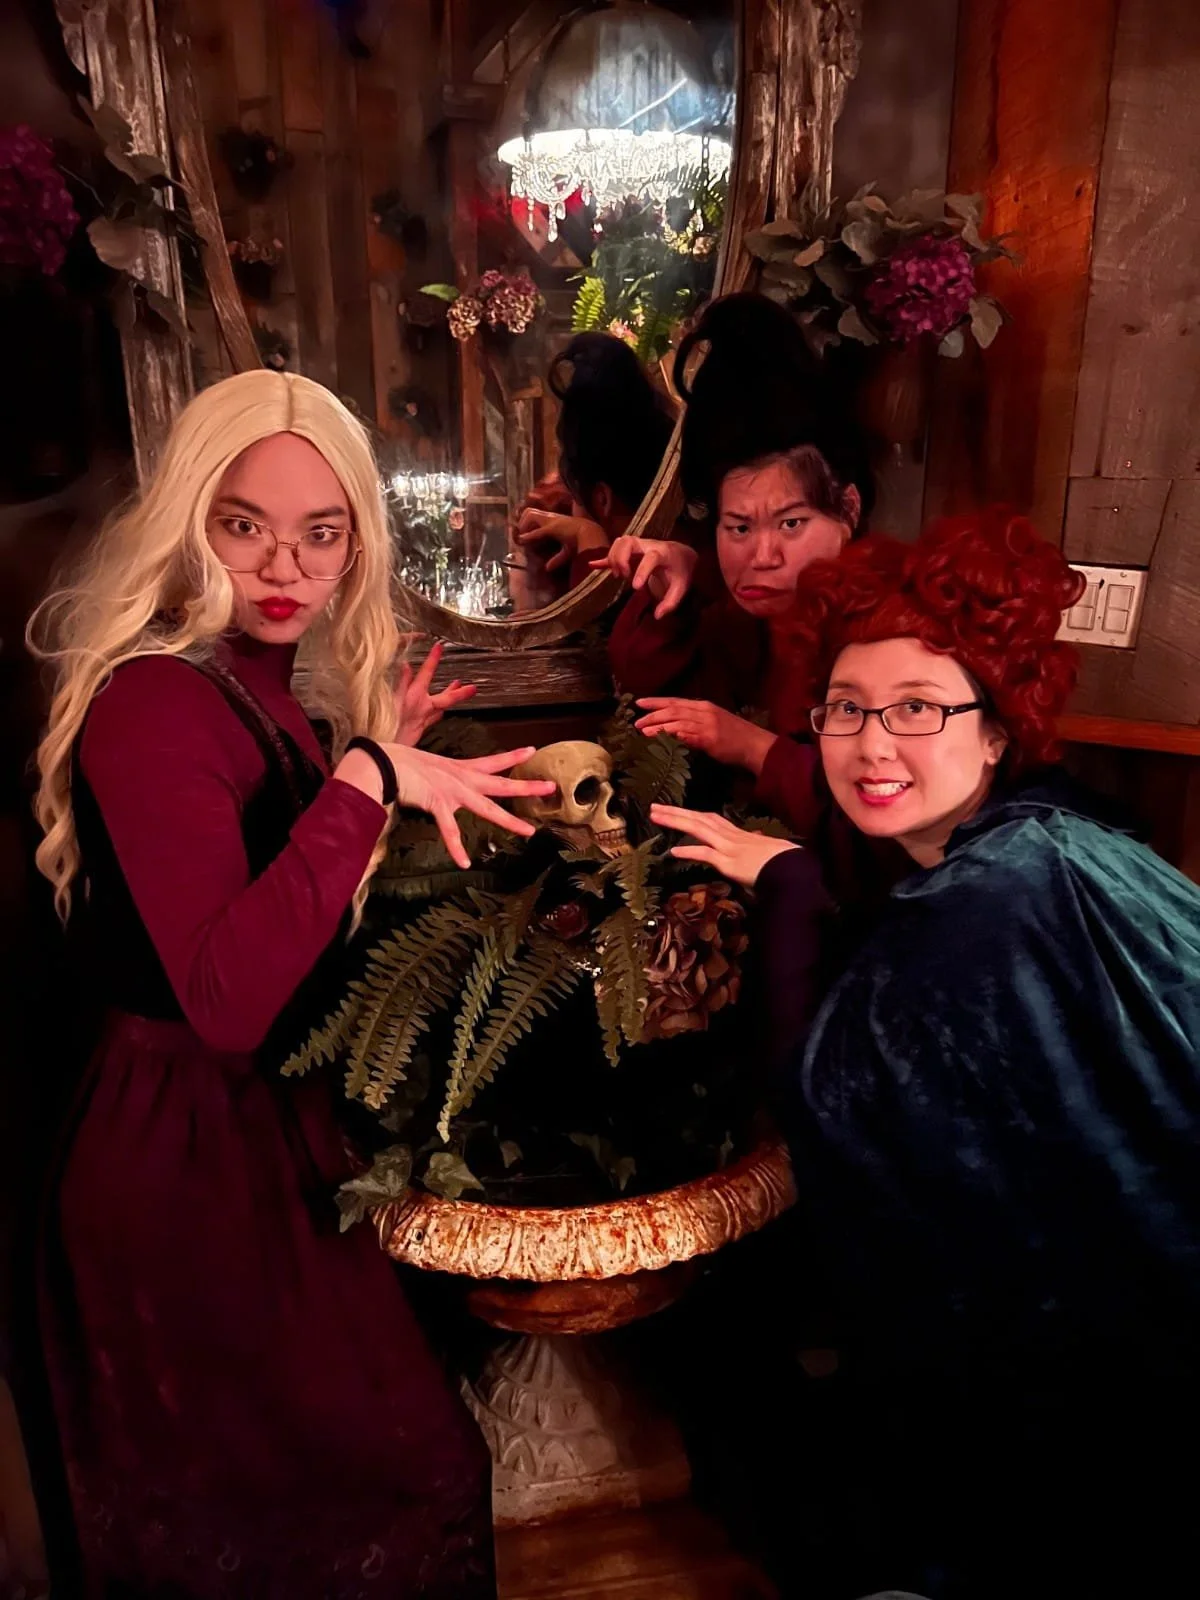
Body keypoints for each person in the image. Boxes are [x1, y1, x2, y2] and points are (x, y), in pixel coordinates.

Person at [27, 369, 558, 1599]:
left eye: (322, 533)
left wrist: (373, 778)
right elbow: (226, 995)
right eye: (244, 523)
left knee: (385, 1474)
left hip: (252, 1127)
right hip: (179, 1153)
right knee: (330, 1492)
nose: (285, 564)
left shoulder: (257, 683)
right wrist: (368, 777)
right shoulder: (157, 697)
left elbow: (290, 910)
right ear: (188, 520)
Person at [652, 508, 1200, 1597]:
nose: (871, 743)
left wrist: (791, 884)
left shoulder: (1006, 886)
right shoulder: (1044, 843)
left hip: (1115, 1395)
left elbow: (831, 1096)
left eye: (917, 708)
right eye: (846, 709)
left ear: (996, 728)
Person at [597, 293, 874, 835]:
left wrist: (752, 747)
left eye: (791, 524)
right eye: (739, 528)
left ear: (849, 509)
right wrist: (670, 590)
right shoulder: (732, 617)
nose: (763, 557)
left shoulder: (887, 633)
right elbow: (646, 692)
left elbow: (875, 823)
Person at [512, 331, 675, 597]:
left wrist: (588, 537)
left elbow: (606, 633)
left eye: (573, 493)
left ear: (602, 499)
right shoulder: (687, 549)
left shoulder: (654, 587)